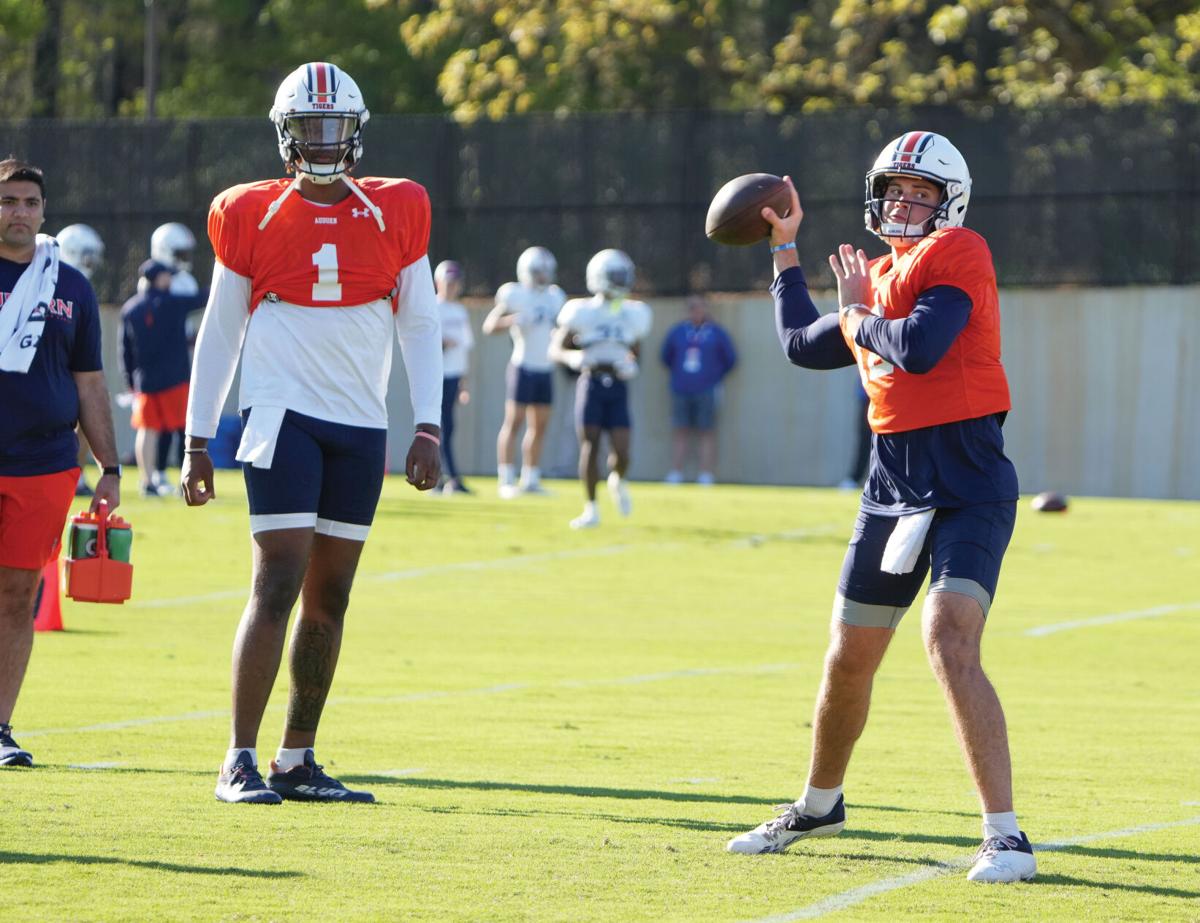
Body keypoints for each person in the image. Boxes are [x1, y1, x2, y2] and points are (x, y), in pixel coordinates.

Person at [726, 132, 1035, 884]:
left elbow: (922, 345)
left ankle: (1006, 837)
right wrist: (784, 250)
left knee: (948, 638)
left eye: (919, 192)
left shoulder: (957, 252)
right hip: (892, 484)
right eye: (894, 189)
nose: (903, 202)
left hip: (967, 478)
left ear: (947, 203)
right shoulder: (881, 274)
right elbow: (802, 342)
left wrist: (859, 316)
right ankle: (818, 803)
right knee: (848, 656)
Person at [181, 62, 443, 805]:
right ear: (285, 135)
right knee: (278, 583)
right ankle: (238, 757)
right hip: (281, 417)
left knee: (333, 595)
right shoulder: (250, 212)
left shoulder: (398, 208)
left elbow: (420, 322)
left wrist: (428, 422)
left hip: (361, 424)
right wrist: (199, 438)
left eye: (333, 128)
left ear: (355, 133)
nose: (322, 143)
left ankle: (297, 757)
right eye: (308, 129)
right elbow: (221, 332)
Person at [0, 159, 122, 768]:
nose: (18, 212)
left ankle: (0, 727)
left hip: (44, 464)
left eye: (28, 202)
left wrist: (111, 466)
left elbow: (91, 382)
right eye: (7, 201)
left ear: (44, 212)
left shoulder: (69, 285)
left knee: (19, 595)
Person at [549, 249, 651, 530]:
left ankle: (617, 479)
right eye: (615, 275)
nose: (620, 281)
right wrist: (573, 357)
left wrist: (632, 363)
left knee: (623, 451)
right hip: (590, 382)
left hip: (617, 384)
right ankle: (591, 507)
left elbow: (636, 350)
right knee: (590, 445)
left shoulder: (632, 311)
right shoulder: (581, 310)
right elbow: (556, 348)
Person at [482, 246, 566, 498]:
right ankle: (506, 478)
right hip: (522, 365)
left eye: (545, 272)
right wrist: (513, 319)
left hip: (546, 367)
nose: (543, 276)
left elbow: (563, 328)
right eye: (538, 272)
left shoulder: (555, 296)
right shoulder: (514, 293)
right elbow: (489, 326)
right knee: (514, 422)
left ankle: (531, 478)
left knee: (539, 427)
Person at [120, 260, 200, 496]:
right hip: (176, 379)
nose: (171, 280)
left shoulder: (130, 308)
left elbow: (124, 349)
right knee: (185, 431)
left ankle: (147, 481)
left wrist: (130, 382)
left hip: (145, 381)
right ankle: (186, 480)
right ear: (159, 278)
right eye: (168, 276)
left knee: (147, 431)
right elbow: (202, 298)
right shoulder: (173, 303)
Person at [659, 293, 736, 485]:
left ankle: (705, 474)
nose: (696, 311)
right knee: (680, 430)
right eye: (692, 307)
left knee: (706, 431)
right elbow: (665, 356)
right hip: (681, 388)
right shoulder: (677, 332)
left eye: (700, 307)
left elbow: (731, 359)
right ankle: (676, 473)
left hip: (707, 389)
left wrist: (713, 376)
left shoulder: (717, 333)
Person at [57, 223, 107, 498]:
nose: (91, 264)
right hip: (50, 374)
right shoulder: (48, 280)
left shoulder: (80, 287)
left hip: (75, 370)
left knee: (86, 421)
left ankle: (76, 474)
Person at [435, 259, 473, 494]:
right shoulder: (432, 307)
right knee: (441, 427)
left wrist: (464, 384)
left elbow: (465, 348)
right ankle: (446, 477)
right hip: (438, 376)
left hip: (453, 376)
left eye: (455, 282)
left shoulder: (460, 311)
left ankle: (446, 476)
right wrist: (442, 343)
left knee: (448, 427)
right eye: (448, 282)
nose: (452, 287)